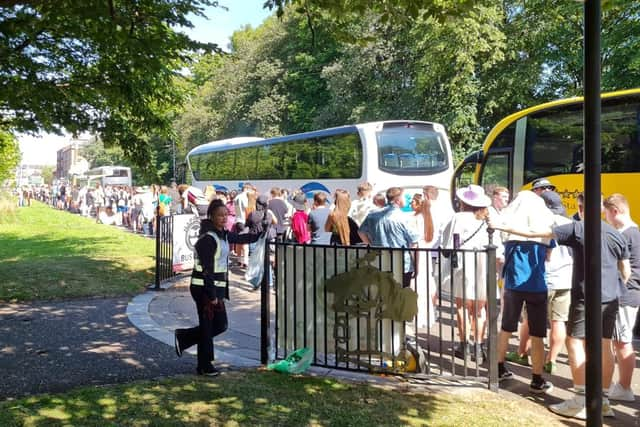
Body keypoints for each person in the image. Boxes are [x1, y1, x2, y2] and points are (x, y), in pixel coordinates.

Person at [492, 192, 630, 418]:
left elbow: (535, 233)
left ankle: (580, 397)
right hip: (611, 296)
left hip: (584, 295)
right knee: (604, 345)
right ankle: (602, 399)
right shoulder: (616, 234)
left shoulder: (578, 228)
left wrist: (503, 226)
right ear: (602, 209)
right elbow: (625, 271)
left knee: (574, 341)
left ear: (580, 207)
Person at [174, 199, 265, 376]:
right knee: (209, 326)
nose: (224, 218)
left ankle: (185, 339)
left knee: (219, 325)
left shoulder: (222, 233)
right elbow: (207, 269)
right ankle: (205, 365)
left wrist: (260, 233)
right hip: (204, 289)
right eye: (220, 215)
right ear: (212, 216)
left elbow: (240, 238)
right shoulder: (208, 238)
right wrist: (211, 293)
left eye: (226, 215)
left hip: (215, 289)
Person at [441, 184, 492, 364]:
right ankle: (479, 346)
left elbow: (448, 243)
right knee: (480, 308)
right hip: (485, 263)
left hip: (464, 264)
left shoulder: (458, 218)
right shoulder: (488, 218)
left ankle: (465, 346)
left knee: (462, 306)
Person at [603, 193, 639, 402]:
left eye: (607, 214)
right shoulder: (633, 233)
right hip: (629, 294)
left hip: (625, 296)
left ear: (615, 211)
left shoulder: (627, 235)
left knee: (622, 342)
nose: (606, 219)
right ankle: (622, 385)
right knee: (620, 341)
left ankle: (624, 387)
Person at [358, 187, 419, 287]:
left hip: (380, 262)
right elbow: (414, 243)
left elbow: (361, 232)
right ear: (398, 200)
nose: (407, 200)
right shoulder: (405, 217)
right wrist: (416, 266)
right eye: (405, 197)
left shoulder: (373, 215)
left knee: (382, 295)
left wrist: (370, 244)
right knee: (401, 295)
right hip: (402, 264)